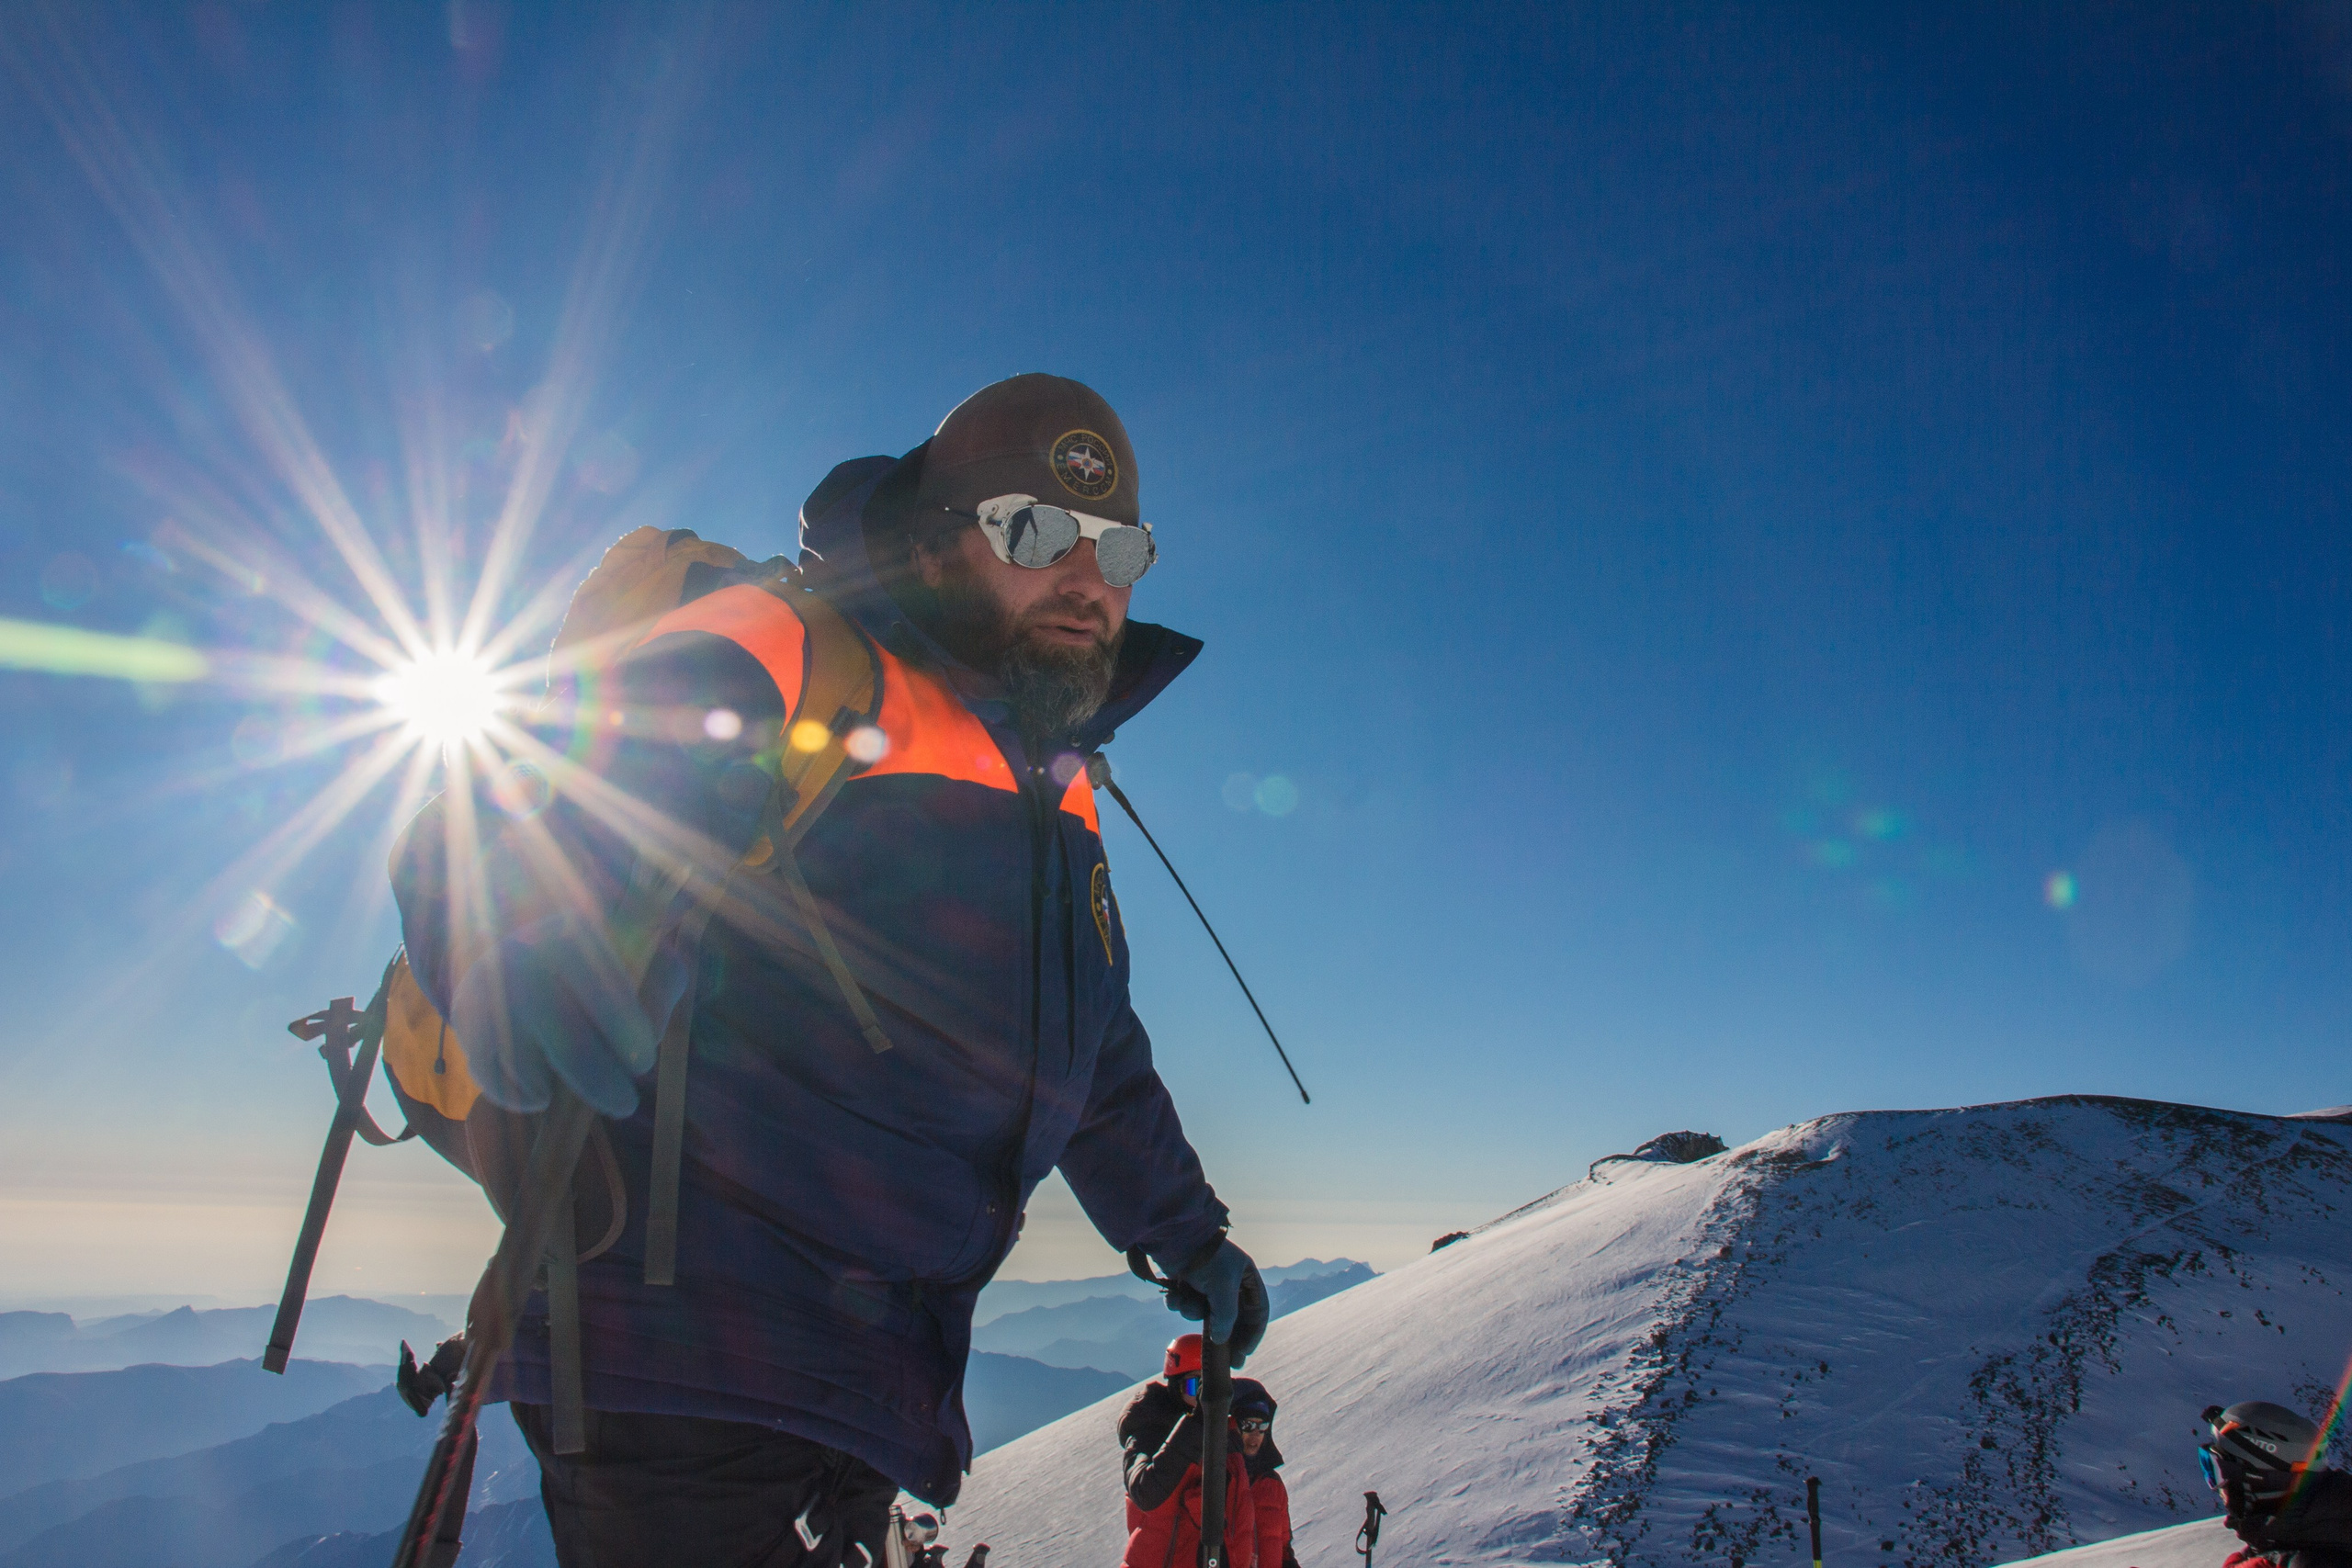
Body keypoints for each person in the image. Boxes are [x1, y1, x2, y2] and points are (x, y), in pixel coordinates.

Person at [399, 374, 1271, 1567]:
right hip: (676, 1363)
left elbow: (1095, 1059)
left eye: (1121, 547)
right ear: (933, 545)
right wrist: (515, 941)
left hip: (870, 1379)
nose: (1086, 575)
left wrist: (1190, 1233)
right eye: (1035, 530)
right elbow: (516, 788)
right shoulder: (790, 650)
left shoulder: (1050, 783)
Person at [1121, 1334, 1256, 1568]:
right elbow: (1145, 1491)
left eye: (1211, 1385)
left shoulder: (1229, 1437)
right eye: (1195, 1386)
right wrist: (1196, 1426)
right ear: (1174, 1386)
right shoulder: (1148, 1429)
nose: (1204, 1397)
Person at [2200, 1400, 2352, 1568]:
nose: (2218, 1488)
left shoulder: (2316, 1559)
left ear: (2254, 1479)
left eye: (2215, 1469)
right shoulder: (2297, 1536)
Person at [1233, 1378, 1297, 1568]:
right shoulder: (1211, 1478)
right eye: (1248, 1425)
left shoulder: (1272, 1484)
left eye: (1262, 1427)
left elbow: (1284, 1548)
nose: (1255, 1436)